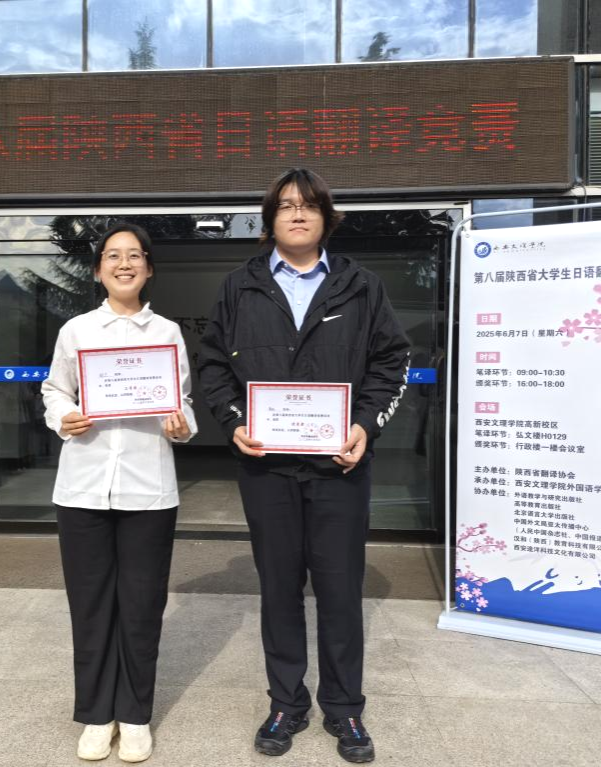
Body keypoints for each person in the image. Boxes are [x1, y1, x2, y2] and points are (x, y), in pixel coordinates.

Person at [198, 168, 410, 764]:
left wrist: (364, 425)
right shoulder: (239, 287)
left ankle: (344, 708)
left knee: (340, 592)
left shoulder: (360, 286)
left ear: (325, 218)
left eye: (309, 206)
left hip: (339, 468)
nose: (297, 214)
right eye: (286, 206)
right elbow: (212, 364)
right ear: (270, 219)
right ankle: (286, 704)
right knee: (279, 591)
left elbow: (392, 361)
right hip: (267, 470)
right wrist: (233, 421)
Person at [41, 222, 197, 763]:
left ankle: (133, 715)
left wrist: (182, 426)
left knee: (142, 605)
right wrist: (65, 416)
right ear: (98, 270)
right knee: (89, 606)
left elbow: (182, 399)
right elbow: (55, 389)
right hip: (82, 487)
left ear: (149, 268)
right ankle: (95, 714)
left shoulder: (167, 332)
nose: (124, 264)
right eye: (113, 255)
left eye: (134, 256)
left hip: (147, 489)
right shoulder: (77, 330)